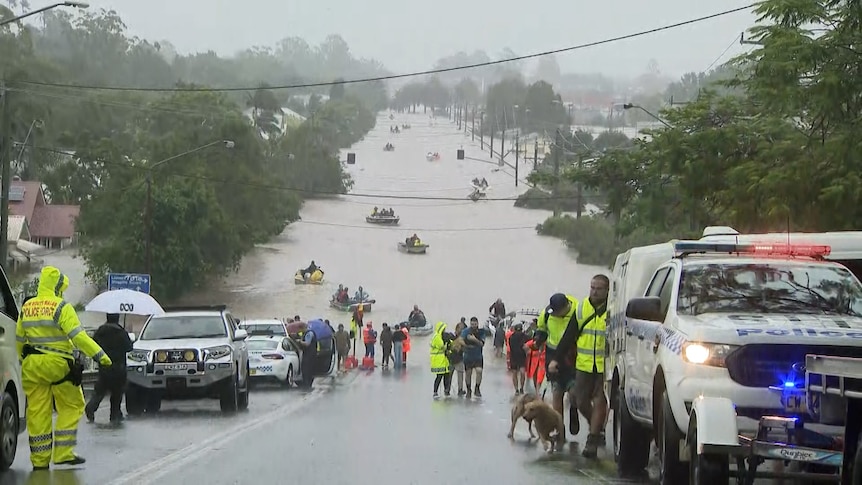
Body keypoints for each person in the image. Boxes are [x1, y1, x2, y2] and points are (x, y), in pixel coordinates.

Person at [17, 266, 112, 470]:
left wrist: (22, 360)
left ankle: (40, 461)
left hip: (32, 366)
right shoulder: (61, 307)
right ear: (58, 286)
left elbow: (19, 340)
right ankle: (63, 453)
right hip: (58, 366)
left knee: (37, 412)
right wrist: (100, 356)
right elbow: (78, 337)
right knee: (72, 405)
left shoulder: (27, 307)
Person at [553, 275, 610, 458]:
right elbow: (569, 336)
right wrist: (555, 359)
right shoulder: (581, 308)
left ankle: (592, 440)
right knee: (579, 401)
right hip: (584, 365)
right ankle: (597, 425)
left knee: (601, 399)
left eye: (598, 288)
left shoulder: (613, 309)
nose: (594, 291)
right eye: (592, 287)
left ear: (607, 290)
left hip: (605, 365)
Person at [532, 292, 578, 447]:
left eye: (558, 312)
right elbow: (542, 329)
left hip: (572, 357)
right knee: (557, 394)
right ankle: (560, 429)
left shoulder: (577, 310)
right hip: (552, 357)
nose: (556, 315)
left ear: (566, 307)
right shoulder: (547, 313)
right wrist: (538, 338)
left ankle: (574, 409)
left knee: (573, 393)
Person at [85, 313, 133, 424]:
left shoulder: (100, 331)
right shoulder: (121, 332)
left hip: (104, 367)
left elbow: (93, 345)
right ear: (118, 318)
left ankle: (91, 407)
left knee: (100, 391)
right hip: (118, 368)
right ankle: (114, 415)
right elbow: (129, 347)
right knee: (116, 393)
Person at [461, 317, 485, 398]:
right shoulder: (465, 331)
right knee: (468, 373)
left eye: (475, 324)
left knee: (479, 371)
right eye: (472, 324)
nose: (473, 326)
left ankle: (477, 388)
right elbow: (460, 340)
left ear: (477, 324)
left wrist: (474, 339)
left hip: (478, 356)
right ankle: (468, 390)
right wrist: (466, 345)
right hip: (468, 356)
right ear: (470, 324)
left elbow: (482, 344)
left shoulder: (481, 332)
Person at [430, 322, 452, 397]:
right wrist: (446, 344)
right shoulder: (437, 337)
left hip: (444, 360)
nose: (444, 330)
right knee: (439, 376)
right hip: (438, 360)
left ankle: (446, 391)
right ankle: (435, 392)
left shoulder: (441, 336)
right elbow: (442, 346)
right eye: (443, 329)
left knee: (447, 375)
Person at [507, 323, 530, 395]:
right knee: (516, 373)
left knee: (521, 373)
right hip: (515, 356)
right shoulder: (512, 337)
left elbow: (530, 343)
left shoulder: (521, 336)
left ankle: (521, 388)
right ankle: (517, 389)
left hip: (520, 357)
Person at [451, 319, 467, 396]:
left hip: (459, 359)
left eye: (462, 328)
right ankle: (447, 389)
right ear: (456, 329)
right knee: (449, 375)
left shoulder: (464, 338)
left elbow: (465, 349)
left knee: (460, 375)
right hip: (451, 359)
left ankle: (460, 390)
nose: (461, 330)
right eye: (460, 328)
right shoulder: (451, 337)